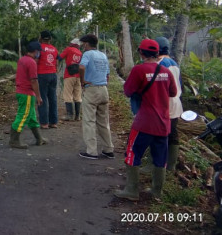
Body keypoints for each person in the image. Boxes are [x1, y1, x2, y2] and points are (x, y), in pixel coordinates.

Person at [115, 39, 177, 201]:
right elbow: (173, 92)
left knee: (132, 153)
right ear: (157, 53)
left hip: (144, 123)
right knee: (160, 158)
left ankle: (132, 190)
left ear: (141, 53)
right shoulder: (166, 71)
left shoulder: (139, 70)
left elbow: (128, 91)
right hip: (163, 124)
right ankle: (157, 192)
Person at [78, 34, 115, 160]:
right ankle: (108, 149)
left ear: (87, 44)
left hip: (91, 89)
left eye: (83, 43)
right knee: (104, 122)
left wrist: (82, 80)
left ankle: (92, 151)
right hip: (104, 89)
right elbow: (108, 75)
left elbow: (81, 67)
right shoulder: (103, 55)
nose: (83, 46)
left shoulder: (88, 54)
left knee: (89, 121)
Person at [9, 41, 47, 149]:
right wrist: (39, 96)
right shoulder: (31, 62)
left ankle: (39, 139)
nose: (39, 53)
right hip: (27, 93)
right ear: (35, 52)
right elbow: (34, 81)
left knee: (32, 117)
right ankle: (14, 140)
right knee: (23, 116)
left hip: (21, 91)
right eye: (39, 51)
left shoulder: (22, 60)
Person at [155, 36, 183, 172]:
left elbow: (160, 87)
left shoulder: (160, 64)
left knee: (159, 135)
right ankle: (171, 165)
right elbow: (179, 84)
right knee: (173, 133)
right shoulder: (174, 63)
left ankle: (157, 165)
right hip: (176, 102)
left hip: (164, 103)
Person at [37, 30, 59, 129]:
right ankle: (53, 122)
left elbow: (36, 61)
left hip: (42, 74)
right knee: (53, 98)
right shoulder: (54, 49)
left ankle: (44, 123)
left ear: (41, 38)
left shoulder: (39, 48)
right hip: (53, 74)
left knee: (42, 98)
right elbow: (56, 63)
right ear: (50, 39)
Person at [58, 38, 83, 121]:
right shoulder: (80, 52)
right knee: (77, 95)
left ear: (72, 44)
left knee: (67, 95)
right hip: (78, 76)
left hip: (69, 75)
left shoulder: (68, 49)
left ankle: (70, 115)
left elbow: (60, 58)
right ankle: (77, 116)